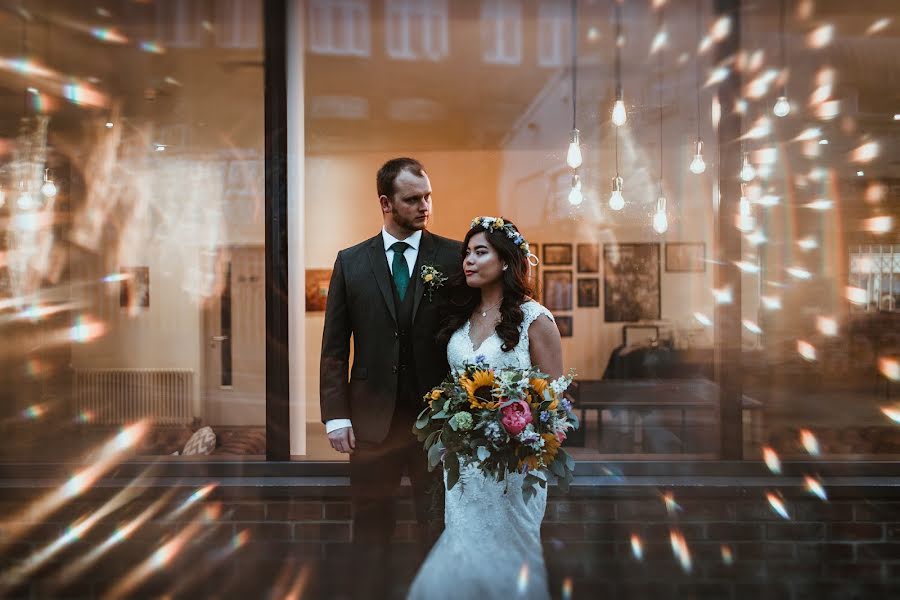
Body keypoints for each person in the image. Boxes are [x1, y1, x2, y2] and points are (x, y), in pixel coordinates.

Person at [319, 157, 462, 599]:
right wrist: (335, 416)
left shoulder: (455, 256)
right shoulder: (351, 262)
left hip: (436, 424)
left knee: (437, 526)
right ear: (386, 202)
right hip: (370, 425)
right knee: (370, 530)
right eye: (413, 199)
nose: (425, 207)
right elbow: (334, 347)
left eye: (428, 197)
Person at [407, 217, 563, 600]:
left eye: (480, 252)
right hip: (463, 467)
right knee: (463, 548)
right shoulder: (460, 320)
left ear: (506, 261)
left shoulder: (534, 319)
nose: (468, 261)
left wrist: (522, 438)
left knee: (512, 557)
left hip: (514, 467)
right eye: (466, 253)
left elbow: (554, 400)